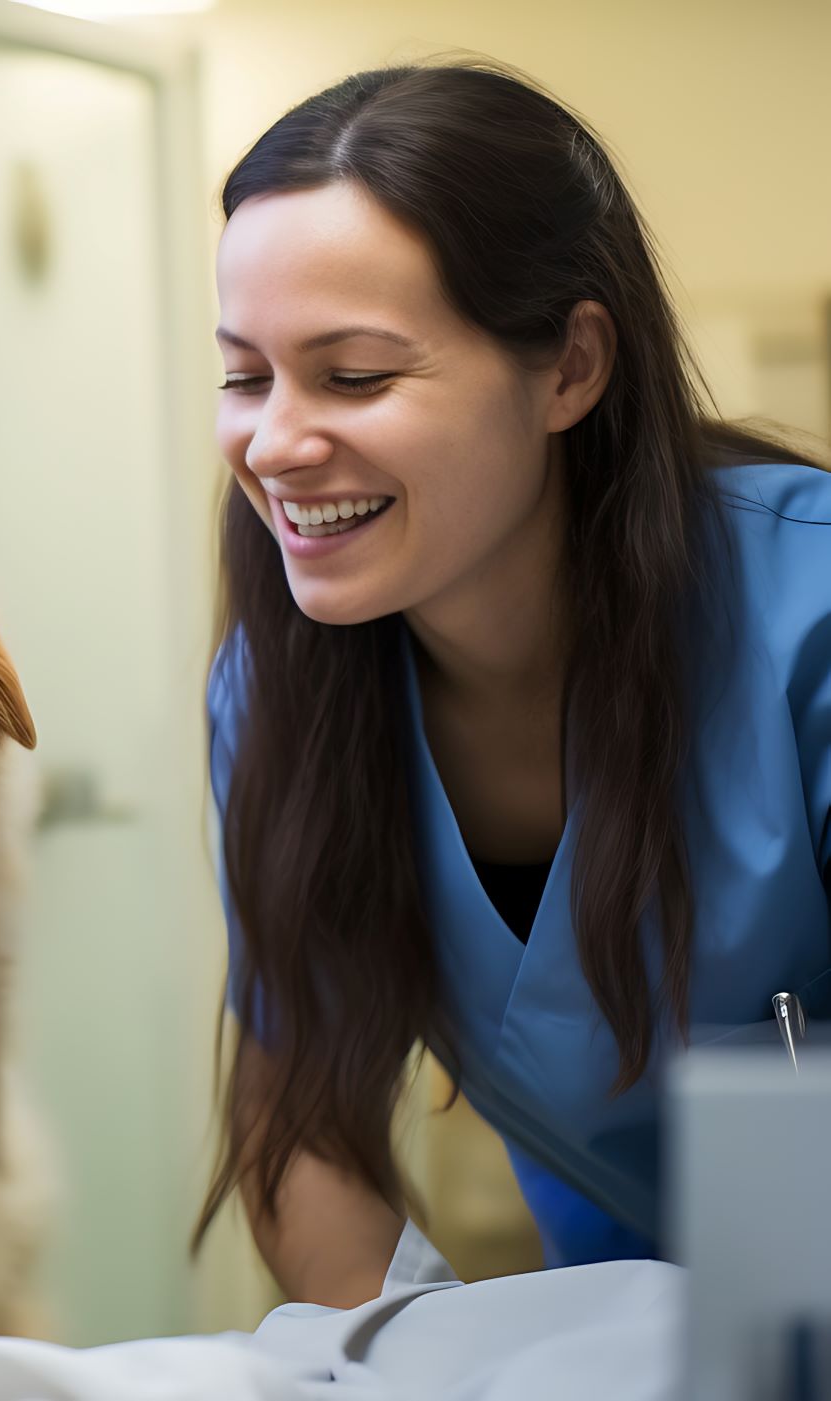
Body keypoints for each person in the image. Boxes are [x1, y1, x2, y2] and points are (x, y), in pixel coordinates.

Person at [200, 62, 830, 1303]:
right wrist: (422, 1357)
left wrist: (764, 1351)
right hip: (611, 1315)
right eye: (243, 375)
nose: (273, 443)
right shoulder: (279, 689)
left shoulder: (804, 618)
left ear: (567, 368)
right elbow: (302, 1125)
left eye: (355, 375)